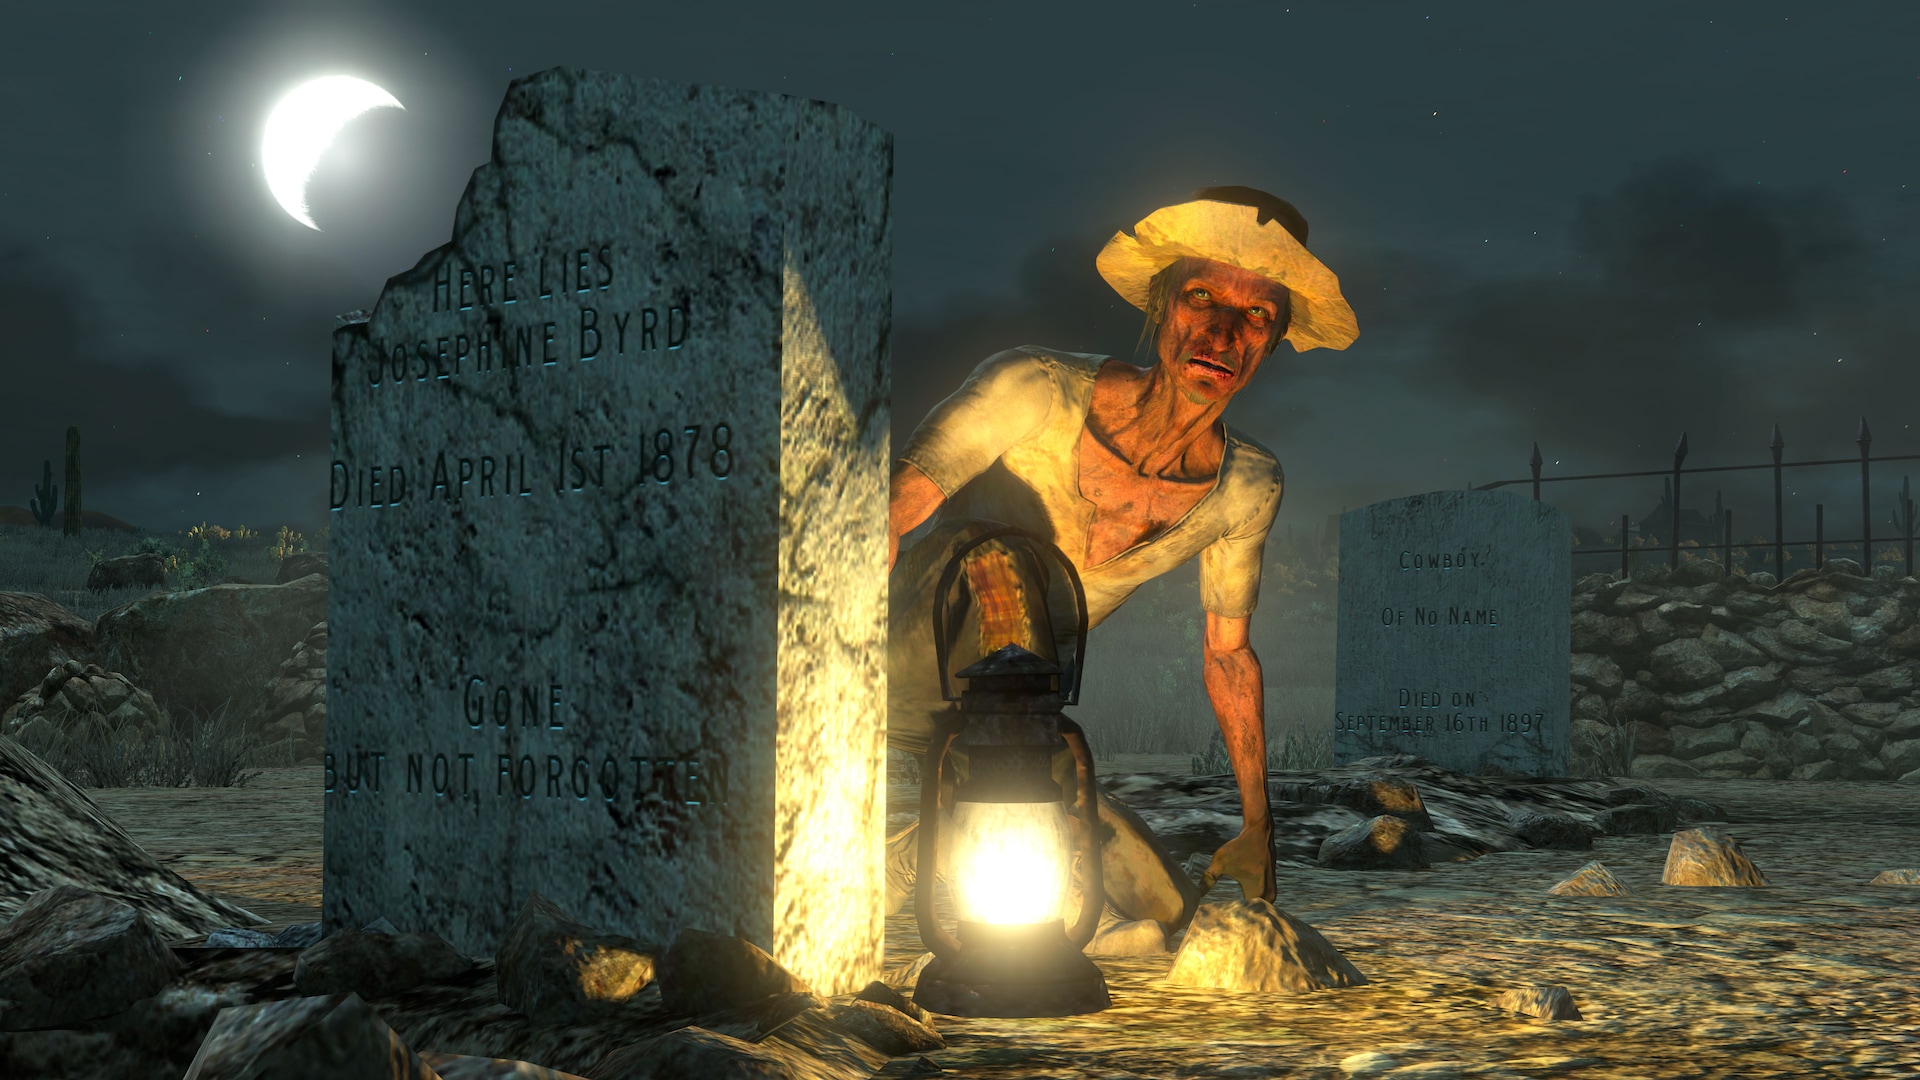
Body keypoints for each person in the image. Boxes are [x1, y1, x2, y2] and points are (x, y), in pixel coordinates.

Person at [887, 186, 1358, 910]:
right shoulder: (1035, 390)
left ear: (1271, 341)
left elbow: (1228, 655)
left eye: (1257, 315)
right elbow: (878, 523)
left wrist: (1258, 826)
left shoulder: (1245, 487)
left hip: (1023, 720)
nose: (1223, 334)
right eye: (1202, 298)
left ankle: (937, 843)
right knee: (1002, 559)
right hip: (891, 660)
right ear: (1160, 306)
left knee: (1164, 911)